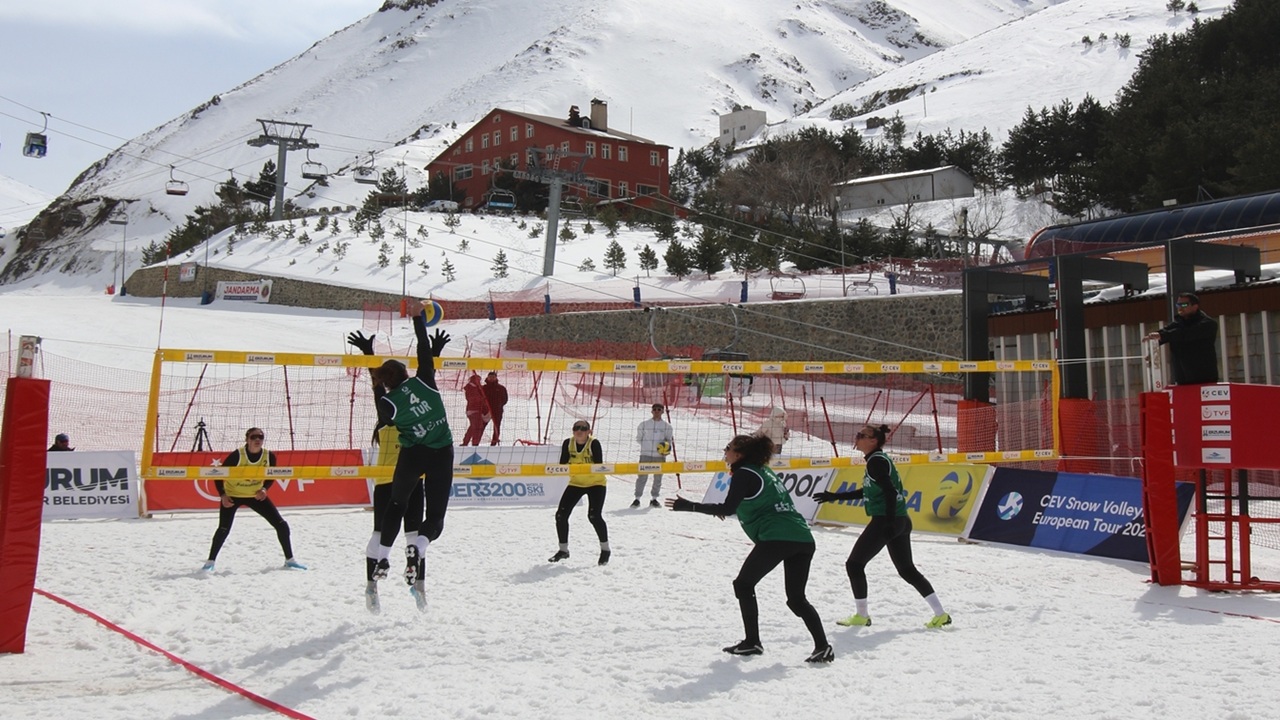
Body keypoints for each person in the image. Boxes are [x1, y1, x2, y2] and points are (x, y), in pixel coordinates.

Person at [666, 434, 833, 663]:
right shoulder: (762, 470)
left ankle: (752, 642)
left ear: (739, 454)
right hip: (802, 538)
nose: (725, 452)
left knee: (743, 584)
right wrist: (724, 509)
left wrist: (688, 506)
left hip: (778, 537)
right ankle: (823, 647)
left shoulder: (744, 473)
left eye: (728, 448)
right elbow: (751, 502)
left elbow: (728, 507)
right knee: (796, 599)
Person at [813, 423, 951, 629]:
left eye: (862, 435)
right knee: (907, 570)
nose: (857, 437)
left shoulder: (876, 462)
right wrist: (835, 496)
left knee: (854, 564)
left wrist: (886, 522)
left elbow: (889, 491)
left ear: (873, 441)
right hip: (901, 520)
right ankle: (941, 614)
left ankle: (862, 615)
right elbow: (870, 490)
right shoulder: (876, 461)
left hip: (887, 520)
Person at [370, 301, 454, 610]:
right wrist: (419, 317)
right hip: (440, 453)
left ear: (386, 380)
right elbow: (423, 346)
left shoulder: (388, 403)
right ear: (406, 372)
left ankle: (382, 558)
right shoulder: (425, 380)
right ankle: (418, 547)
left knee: (396, 504)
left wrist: (378, 383)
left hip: (412, 454)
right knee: (435, 519)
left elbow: (383, 409)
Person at [348, 329, 425, 614]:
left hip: (405, 480)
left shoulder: (405, 409)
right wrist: (370, 356)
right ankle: (378, 588)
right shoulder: (390, 410)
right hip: (394, 481)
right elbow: (378, 384)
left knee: (406, 538)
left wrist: (369, 354)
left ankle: (394, 588)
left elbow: (380, 384)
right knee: (402, 537)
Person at [202, 427, 305, 572]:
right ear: (247, 439)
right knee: (223, 529)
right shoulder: (237, 455)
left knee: (281, 525)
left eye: (260, 437)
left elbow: (271, 475)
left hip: (255, 495)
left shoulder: (269, 456)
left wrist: (264, 489)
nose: (257, 440)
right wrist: (223, 495)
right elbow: (218, 475)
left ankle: (290, 560)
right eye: (254, 437)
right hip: (233, 495)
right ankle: (209, 563)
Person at [549, 420, 611, 565]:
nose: (579, 431)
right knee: (560, 515)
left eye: (583, 428)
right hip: (576, 483)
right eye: (576, 428)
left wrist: (581, 466)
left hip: (596, 483)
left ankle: (605, 550)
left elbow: (599, 465)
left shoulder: (594, 443)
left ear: (589, 431)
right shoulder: (568, 443)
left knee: (594, 516)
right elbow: (563, 464)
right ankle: (563, 550)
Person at [1146, 292, 1219, 385]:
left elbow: (1185, 334)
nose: (1180, 307)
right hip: (1182, 379)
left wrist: (1163, 336)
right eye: (1178, 305)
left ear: (1195, 306)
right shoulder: (1178, 323)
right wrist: (1152, 347)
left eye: (1184, 304)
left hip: (1204, 378)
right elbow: (1164, 333)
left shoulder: (1208, 324)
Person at [633, 403, 674, 508]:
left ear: (662, 411)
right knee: (642, 477)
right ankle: (637, 499)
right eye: (654, 409)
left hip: (659, 456)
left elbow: (669, 441)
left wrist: (665, 449)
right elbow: (639, 438)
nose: (656, 411)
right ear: (651, 411)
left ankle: (654, 499)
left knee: (658, 478)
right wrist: (647, 447)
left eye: (659, 409)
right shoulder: (644, 424)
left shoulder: (667, 426)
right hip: (645, 454)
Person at [460, 372, 490, 446]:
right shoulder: (471, 388)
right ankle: (474, 443)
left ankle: (466, 441)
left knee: (473, 427)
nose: (479, 382)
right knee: (478, 427)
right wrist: (482, 399)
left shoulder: (477, 387)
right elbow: (472, 398)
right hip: (473, 410)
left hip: (477, 410)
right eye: (478, 380)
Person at [482, 372, 509, 445]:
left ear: (496, 378)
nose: (491, 379)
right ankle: (476, 442)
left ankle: (494, 442)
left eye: (493, 377)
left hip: (497, 410)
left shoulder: (501, 388)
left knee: (496, 427)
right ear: (487, 378)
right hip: (485, 411)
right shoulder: (483, 388)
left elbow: (505, 399)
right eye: (490, 377)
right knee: (481, 426)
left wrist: (499, 405)